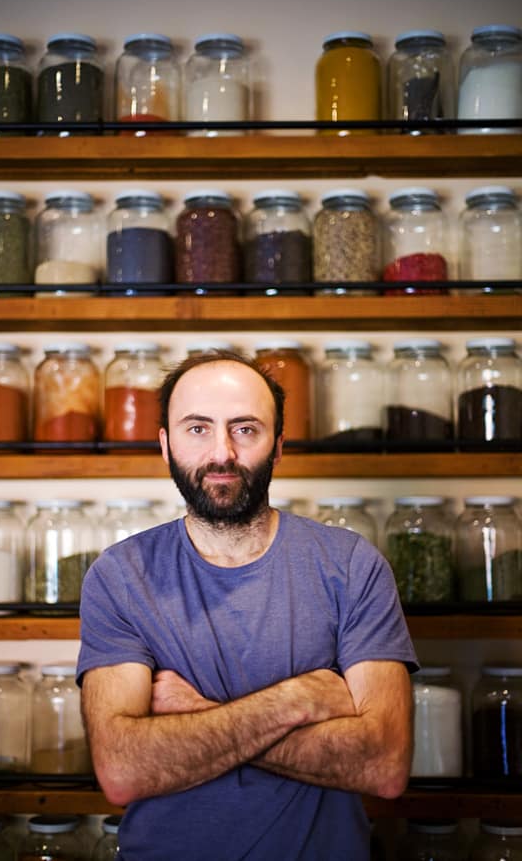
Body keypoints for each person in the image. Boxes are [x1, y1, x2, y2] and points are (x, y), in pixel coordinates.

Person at [77, 349, 418, 861]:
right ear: (165, 445)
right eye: (197, 429)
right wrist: (297, 701)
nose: (222, 453)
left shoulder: (351, 566)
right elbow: (123, 772)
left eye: (245, 429)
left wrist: (194, 718)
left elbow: (383, 765)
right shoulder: (121, 576)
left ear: (278, 446)